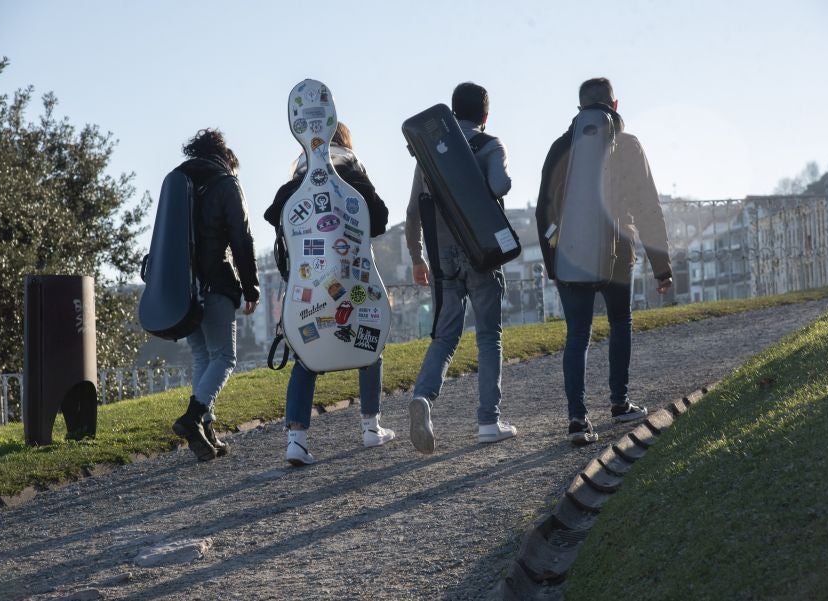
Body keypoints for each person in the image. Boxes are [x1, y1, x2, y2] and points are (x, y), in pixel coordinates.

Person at [536, 77, 672, 445]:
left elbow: (543, 210)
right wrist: (661, 266)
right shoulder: (628, 145)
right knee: (620, 323)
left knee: (577, 336)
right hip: (618, 253)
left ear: (580, 108)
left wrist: (553, 264)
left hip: (570, 256)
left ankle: (578, 421)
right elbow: (648, 207)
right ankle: (619, 402)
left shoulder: (561, 147)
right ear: (615, 104)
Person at [264, 122, 393, 465]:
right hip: (355, 279)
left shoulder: (299, 180)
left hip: (310, 285)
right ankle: (370, 427)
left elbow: (274, 216)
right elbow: (379, 219)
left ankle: (296, 440)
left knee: (306, 356)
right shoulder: (355, 173)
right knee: (370, 343)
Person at [405, 82, 516, 454]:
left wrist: (417, 258)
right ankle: (488, 421)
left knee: (445, 337)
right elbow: (500, 184)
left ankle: (423, 396)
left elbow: (413, 213)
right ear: (485, 115)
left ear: (451, 114)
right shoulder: (490, 145)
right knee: (488, 336)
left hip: (443, 261)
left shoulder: (428, 155)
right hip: (482, 253)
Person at [173, 128, 260, 461]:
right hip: (215, 283)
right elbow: (241, 237)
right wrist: (250, 285)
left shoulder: (179, 183)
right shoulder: (226, 183)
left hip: (181, 289)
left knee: (202, 357)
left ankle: (207, 433)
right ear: (226, 159)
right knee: (224, 357)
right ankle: (193, 417)